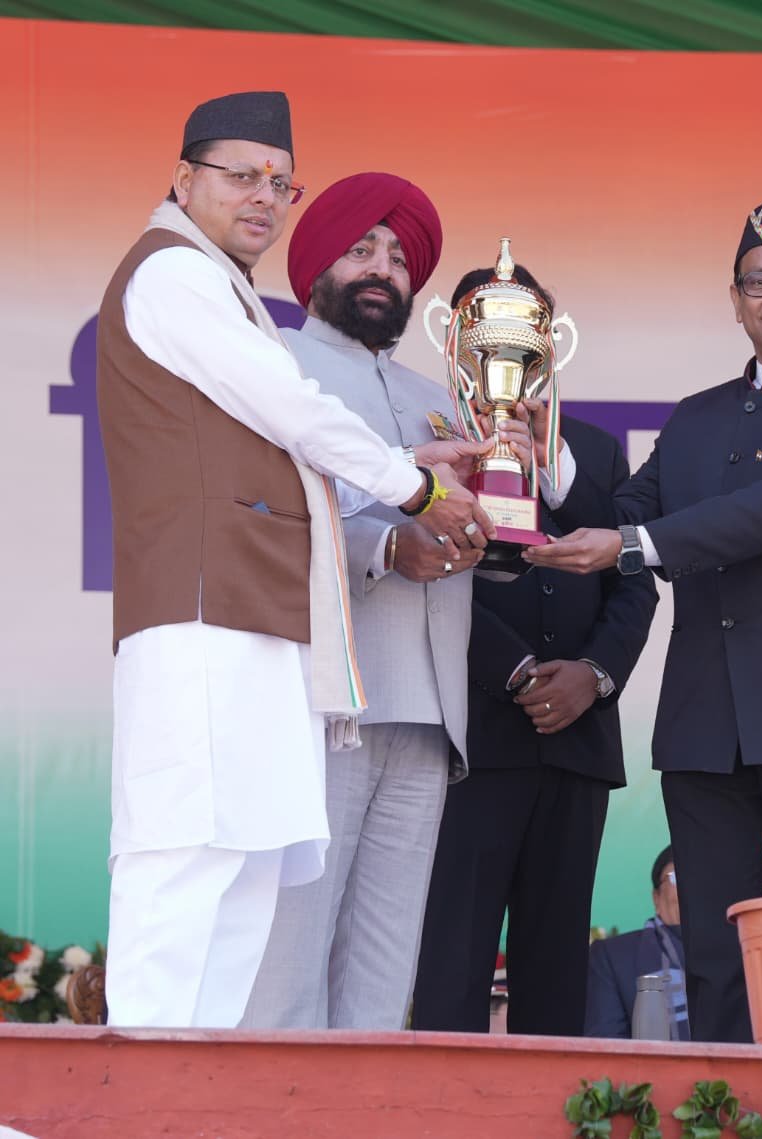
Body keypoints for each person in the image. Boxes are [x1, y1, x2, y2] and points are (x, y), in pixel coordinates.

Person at [96, 92, 491, 1028]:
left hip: (258, 622)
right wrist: (416, 488)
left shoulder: (221, 286)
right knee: (183, 860)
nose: (263, 197)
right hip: (201, 613)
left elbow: (288, 461)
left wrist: (410, 463)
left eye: (280, 182)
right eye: (241, 175)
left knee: (245, 867)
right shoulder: (172, 272)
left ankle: (209, 1091)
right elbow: (295, 411)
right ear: (183, 178)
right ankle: (145, 1089)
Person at [524, 194, 762, 1043]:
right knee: (714, 953)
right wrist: (542, 461)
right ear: (735, 298)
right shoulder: (696, 415)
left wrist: (633, 543)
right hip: (708, 724)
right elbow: (627, 508)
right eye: (760, 281)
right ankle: (730, 1104)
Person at [241, 173, 508, 1030]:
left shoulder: (440, 400)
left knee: (384, 974)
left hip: (428, 716)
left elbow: (476, 526)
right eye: (362, 249)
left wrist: (489, 527)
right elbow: (257, 515)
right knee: (291, 954)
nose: (383, 269)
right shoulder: (276, 369)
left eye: (397, 257)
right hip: (323, 706)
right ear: (318, 264)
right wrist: (387, 546)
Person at [412, 264, 657, 1037]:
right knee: (453, 962)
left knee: (556, 972)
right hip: (474, 740)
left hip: (577, 743)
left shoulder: (596, 452)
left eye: (525, 335)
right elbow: (425, 579)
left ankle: (552, 1103)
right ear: (457, 344)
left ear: (550, 347)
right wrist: (514, 670)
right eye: (487, 336)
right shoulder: (429, 446)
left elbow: (634, 584)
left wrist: (594, 674)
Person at [584, 846, 688, 1040]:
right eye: (678, 876)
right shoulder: (614, 956)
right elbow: (606, 1046)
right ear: (656, 898)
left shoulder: (741, 951)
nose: (693, 887)